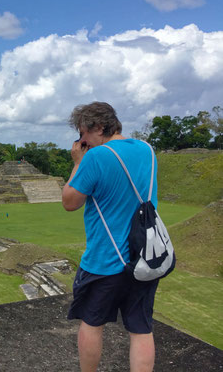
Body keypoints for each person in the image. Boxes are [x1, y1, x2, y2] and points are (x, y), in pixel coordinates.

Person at [62, 102, 159, 372]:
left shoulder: (96, 157)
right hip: (144, 257)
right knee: (141, 328)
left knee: (92, 323)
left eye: (83, 133)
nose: (81, 141)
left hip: (105, 258)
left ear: (100, 127)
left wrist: (78, 163)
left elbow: (69, 201)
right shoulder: (147, 150)